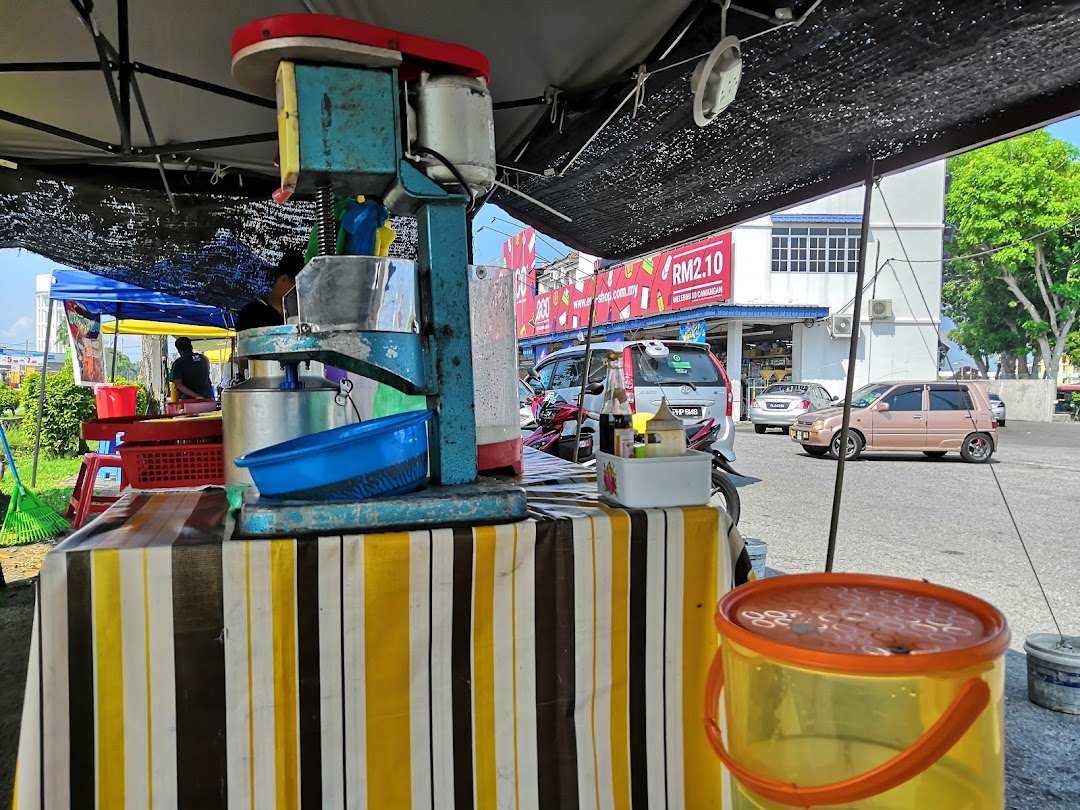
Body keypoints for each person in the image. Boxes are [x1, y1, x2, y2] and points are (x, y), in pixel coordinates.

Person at [235, 248, 306, 332]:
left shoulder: (304, 316)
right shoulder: (252, 313)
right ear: (284, 279)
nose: (301, 291)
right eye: (298, 285)